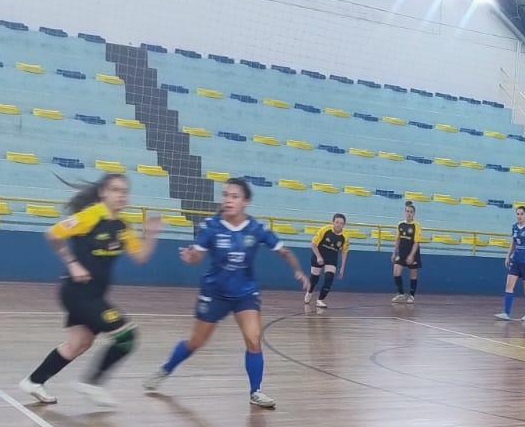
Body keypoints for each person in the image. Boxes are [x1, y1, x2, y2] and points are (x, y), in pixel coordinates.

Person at [144, 177, 306, 408]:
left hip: (245, 293)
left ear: (246, 202)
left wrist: (298, 271)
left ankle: (255, 391)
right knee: (196, 341)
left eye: (234, 196)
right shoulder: (210, 226)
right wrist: (190, 257)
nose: (228, 200)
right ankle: (165, 369)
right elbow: (197, 256)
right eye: (225, 195)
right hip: (215, 292)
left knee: (253, 339)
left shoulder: (257, 228)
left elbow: (284, 251)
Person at [19, 173, 159, 406]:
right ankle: (92, 383)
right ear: (103, 192)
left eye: (124, 191)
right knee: (127, 336)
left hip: (94, 295)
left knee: (78, 344)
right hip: (77, 293)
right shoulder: (90, 216)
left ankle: (34, 381)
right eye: (115, 190)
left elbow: (141, 257)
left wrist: (151, 235)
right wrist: (72, 263)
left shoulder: (122, 226)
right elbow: (53, 234)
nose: (120, 195)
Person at [497, 205, 525, 321]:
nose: (519, 216)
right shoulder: (514, 227)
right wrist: (508, 255)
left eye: (521, 214)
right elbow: (513, 243)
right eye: (518, 214)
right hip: (515, 260)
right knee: (509, 285)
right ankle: (506, 313)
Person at [307, 212, 348, 309]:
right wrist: (319, 257)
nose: (339, 225)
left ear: (344, 225)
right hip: (319, 254)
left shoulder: (345, 236)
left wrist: (342, 267)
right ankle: (309, 292)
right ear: (333, 222)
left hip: (331, 257)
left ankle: (320, 300)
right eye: (337, 222)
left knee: (329, 279)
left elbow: (344, 252)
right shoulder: (325, 230)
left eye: (341, 223)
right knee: (314, 279)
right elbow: (313, 244)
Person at [391, 200, 422, 304]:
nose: (409, 213)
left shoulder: (416, 225)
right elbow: (398, 239)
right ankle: (401, 293)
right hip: (402, 252)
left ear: (414, 213)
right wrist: (394, 252)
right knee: (396, 272)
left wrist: (411, 255)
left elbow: (416, 242)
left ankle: (412, 296)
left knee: (413, 275)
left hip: (413, 252)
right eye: (407, 211)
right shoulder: (400, 224)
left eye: (411, 212)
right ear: (404, 212)